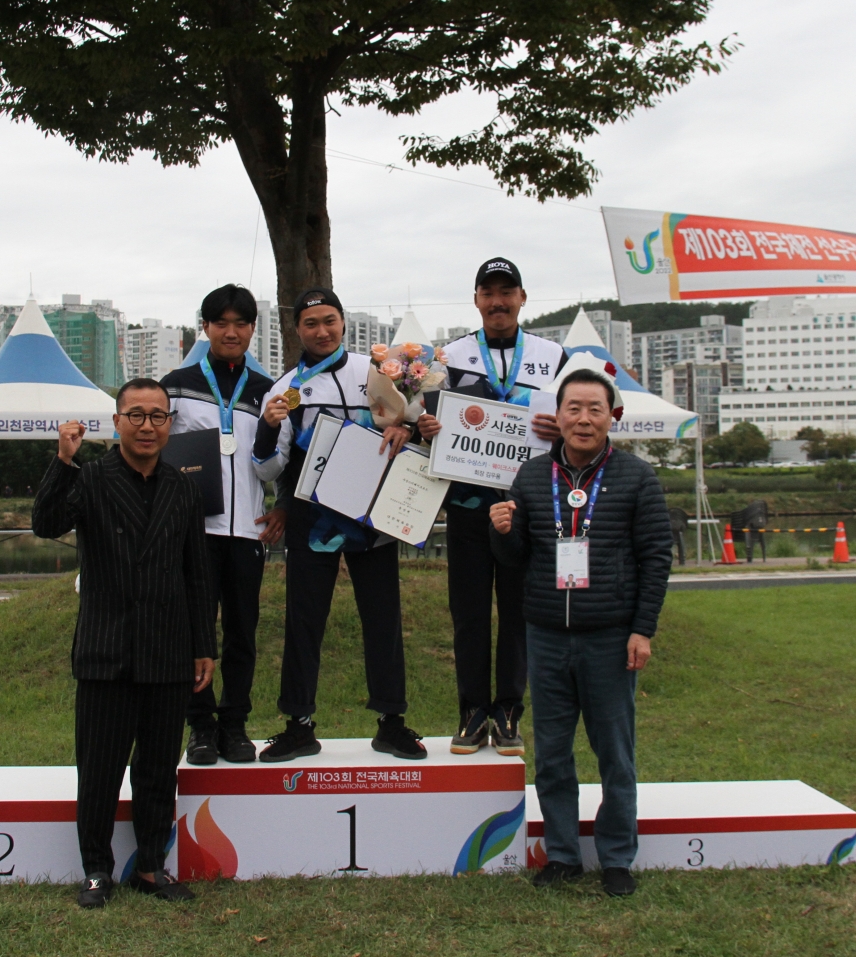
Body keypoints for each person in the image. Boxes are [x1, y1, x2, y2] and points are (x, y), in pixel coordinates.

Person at [489, 368, 672, 898]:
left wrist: (642, 630)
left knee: (615, 753)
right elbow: (516, 559)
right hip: (545, 635)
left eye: (595, 409)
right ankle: (563, 855)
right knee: (551, 753)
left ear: (613, 416)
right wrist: (502, 532)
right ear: (558, 416)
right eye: (574, 408)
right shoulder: (530, 477)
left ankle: (616, 857)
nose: (584, 419)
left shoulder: (637, 477)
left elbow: (656, 558)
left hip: (610, 637)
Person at [32, 380, 215, 906]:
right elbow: (45, 523)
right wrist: (63, 461)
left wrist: (204, 644)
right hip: (106, 647)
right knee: (100, 769)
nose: (147, 426)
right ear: (117, 422)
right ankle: (96, 870)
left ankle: (152, 866)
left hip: (168, 648)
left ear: (170, 425)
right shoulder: (90, 478)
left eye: (158, 416)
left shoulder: (183, 487)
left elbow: (197, 574)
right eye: (136, 415)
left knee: (158, 767)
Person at [251, 287, 425, 763]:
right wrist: (269, 426)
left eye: (329, 320)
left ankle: (392, 723)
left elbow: (413, 426)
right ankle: (298, 725)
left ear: (343, 323)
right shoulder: (285, 388)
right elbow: (268, 468)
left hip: (372, 514)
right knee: (304, 621)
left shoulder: (377, 372)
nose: (322, 331)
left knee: (383, 619)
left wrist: (405, 426)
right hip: (313, 519)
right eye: (311, 323)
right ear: (297, 330)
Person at [415, 258, 564, 756]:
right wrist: (425, 427)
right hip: (468, 504)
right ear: (476, 299)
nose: (498, 302)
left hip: (529, 506)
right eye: (488, 292)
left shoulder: (553, 356)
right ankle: (473, 710)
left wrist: (562, 428)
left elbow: (580, 419)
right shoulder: (448, 357)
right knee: (469, 613)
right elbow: (427, 421)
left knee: (519, 612)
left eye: (507, 291)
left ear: (522, 297)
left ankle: (509, 710)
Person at [160, 284, 282, 766]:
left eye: (241, 323)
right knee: (194, 633)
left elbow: (272, 467)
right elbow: (156, 452)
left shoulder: (268, 390)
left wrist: (269, 432)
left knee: (242, 633)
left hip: (247, 532)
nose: (231, 332)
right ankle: (201, 727)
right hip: (193, 533)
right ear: (206, 327)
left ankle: (235, 724)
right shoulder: (177, 384)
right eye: (221, 323)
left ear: (252, 329)